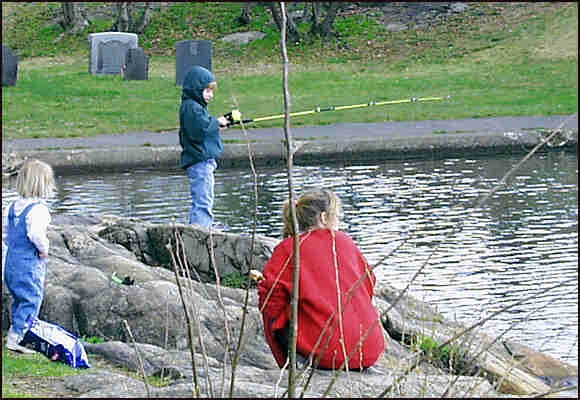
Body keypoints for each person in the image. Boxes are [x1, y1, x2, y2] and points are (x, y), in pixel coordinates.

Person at [257, 189, 386, 370]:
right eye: (338, 217)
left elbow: (271, 299)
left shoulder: (288, 248)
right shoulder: (346, 242)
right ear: (324, 218)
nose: (339, 222)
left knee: (277, 312)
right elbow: (369, 284)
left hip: (327, 354)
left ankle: (293, 365)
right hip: (369, 351)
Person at [4, 159, 55, 353]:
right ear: (44, 185)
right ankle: (18, 337)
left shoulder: (12, 207)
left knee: (19, 297)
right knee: (31, 298)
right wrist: (45, 249)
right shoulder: (39, 210)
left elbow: (6, 233)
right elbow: (35, 235)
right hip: (28, 263)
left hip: (11, 262)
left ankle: (17, 331)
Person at [179, 65, 229, 227]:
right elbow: (199, 130)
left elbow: (204, 127)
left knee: (206, 198)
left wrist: (217, 125)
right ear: (195, 89)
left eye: (211, 91)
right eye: (207, 91)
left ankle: (202, 229)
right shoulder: (191, 108)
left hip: (204, 160)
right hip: (199, 162)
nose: (210, 95)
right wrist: (217, 122)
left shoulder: (196, 107)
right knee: (203, 200)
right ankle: (201, 231)